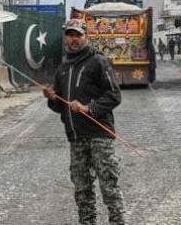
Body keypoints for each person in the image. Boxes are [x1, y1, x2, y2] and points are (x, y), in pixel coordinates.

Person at [42, 18, 125, 225]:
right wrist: (52, 99)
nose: (74, 39)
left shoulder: (98, 62)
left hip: (100, 135)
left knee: (109, 187)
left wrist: (89, 108)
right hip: (76, 138)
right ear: (65, 38)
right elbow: (60, 105)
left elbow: (114, 95)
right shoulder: (63, 68)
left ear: (86, 36)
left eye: (78, 35)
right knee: (82, 189)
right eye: (70, 35)